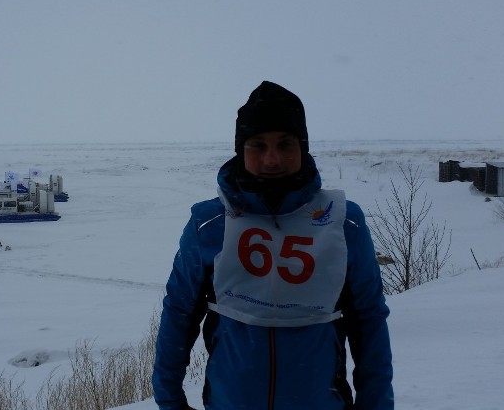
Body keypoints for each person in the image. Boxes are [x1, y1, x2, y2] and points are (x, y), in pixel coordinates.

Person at [152, 81, 393, 409]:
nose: (272, 158)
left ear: (303, 147)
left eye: (285, 143)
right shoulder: (209, 223)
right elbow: (179, 313)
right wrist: (169, 400)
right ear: (241, 149)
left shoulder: (343, 222)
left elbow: (369, 321)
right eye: (258, 145)